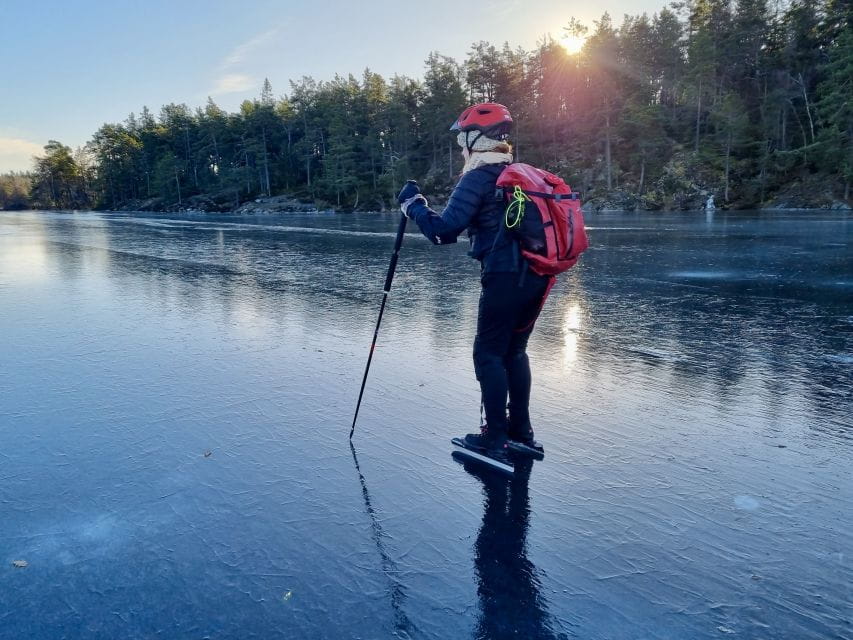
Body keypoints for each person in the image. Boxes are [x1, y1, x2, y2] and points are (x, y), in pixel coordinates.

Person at [397, 103, 551, 463]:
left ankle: (495, 439)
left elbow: (443, 232)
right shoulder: (519, 173)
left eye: (461, 138)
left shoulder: (479, 177)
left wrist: (414, 205)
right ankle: (521, 433)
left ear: (474, 139)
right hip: (537, 277)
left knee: (488, 354)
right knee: (514, 351)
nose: (459, 146)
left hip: (503, 276)